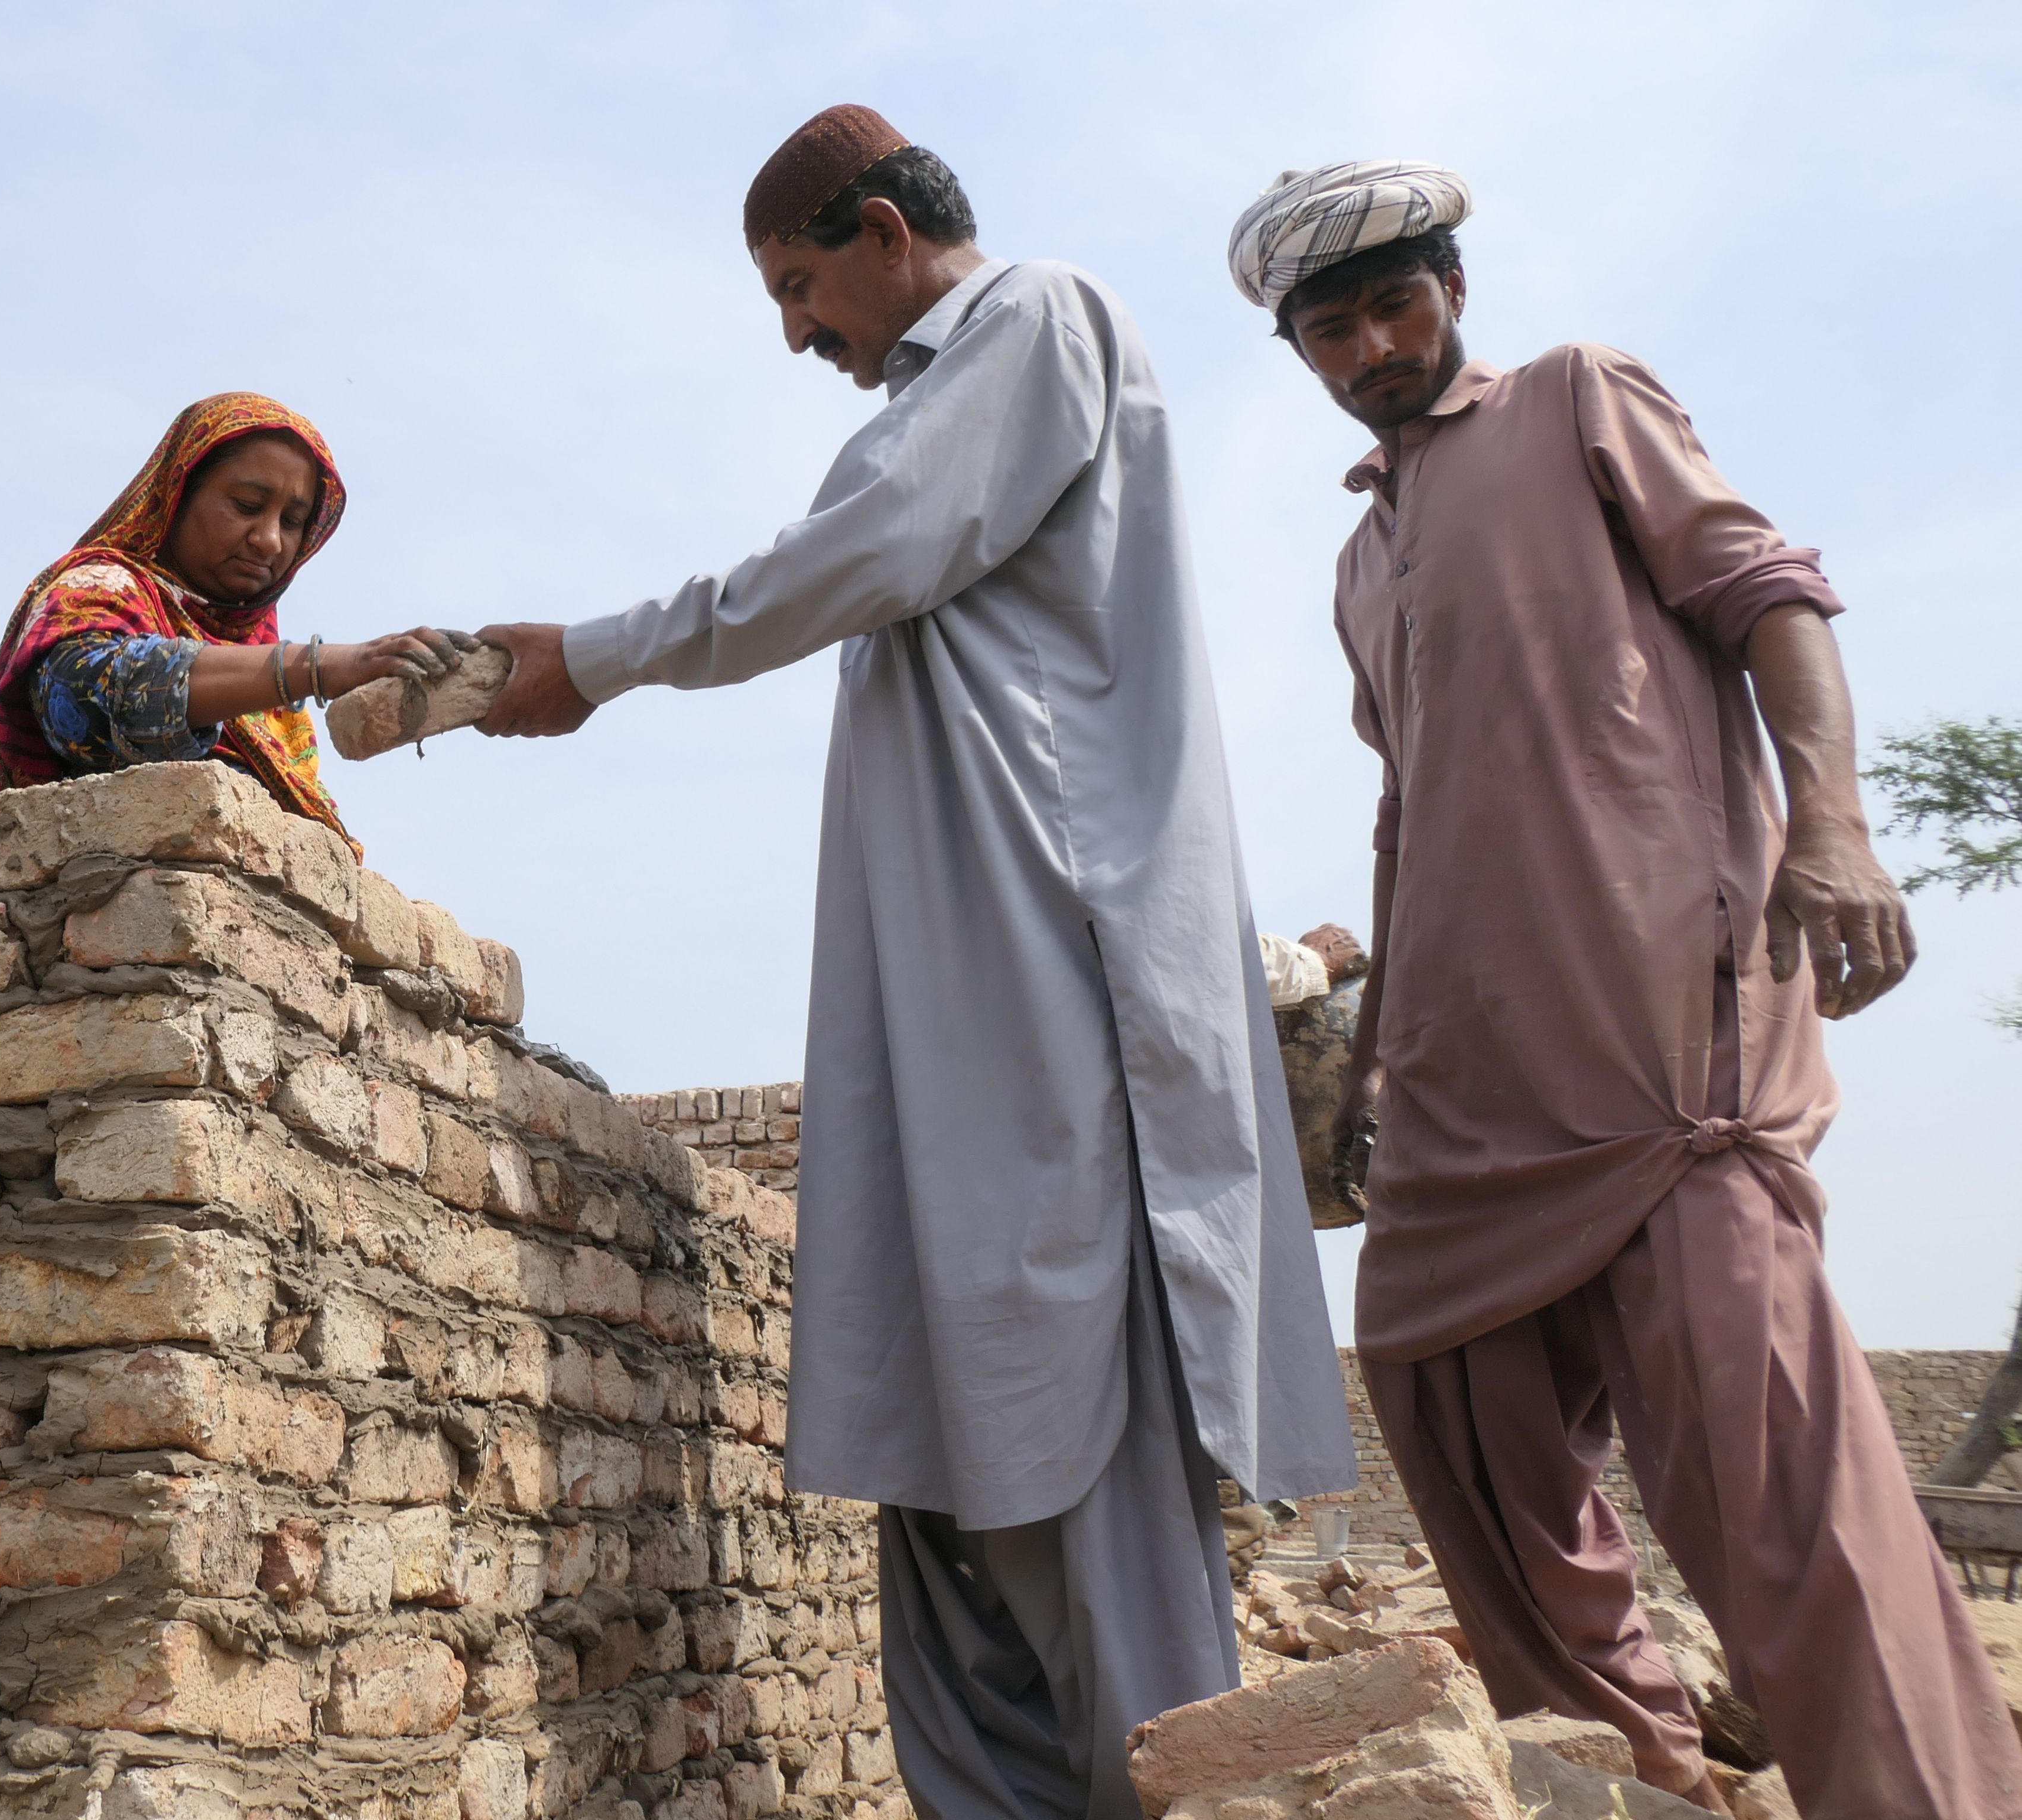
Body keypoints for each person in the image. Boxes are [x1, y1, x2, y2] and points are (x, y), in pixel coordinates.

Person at [476, 106, 1356, 1820]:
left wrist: (594, 656)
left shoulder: (1036, 317)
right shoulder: (935, 403)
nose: (796, 335)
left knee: (1074, 1414)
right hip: (960, 989)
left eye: (799, 289)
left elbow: (858, 553)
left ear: (883, 233)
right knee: (953, 1449)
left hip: (1054, 969)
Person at [1231, 160, 2022, 1816]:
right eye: (1331, 330)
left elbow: (1769, 594)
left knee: (1770, 1482)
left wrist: (1833, 826)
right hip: (1466, 1056)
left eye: (1395, 306)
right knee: (1442, 1395)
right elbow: (1407, 811)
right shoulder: (1358, 563)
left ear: (1453, 288)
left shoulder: (1578, 399)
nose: (1372, 347)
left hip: (1660, 1025)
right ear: (1298, 351)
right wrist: (1373, 1054)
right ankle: (1633, 1780)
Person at [0, 391, 478, 848]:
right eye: (247, 505)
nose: (270, 540)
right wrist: (320, 667)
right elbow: (81, 704)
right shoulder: (100, 589)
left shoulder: (277, 707)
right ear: (178, 493)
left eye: (292, 522)